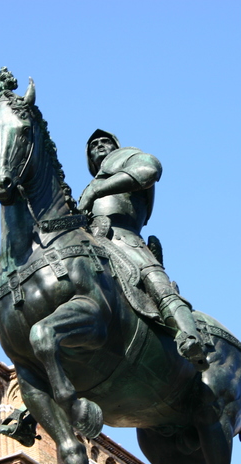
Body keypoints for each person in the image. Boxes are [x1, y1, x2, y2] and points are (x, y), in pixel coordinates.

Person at [78, 129, 206, 365]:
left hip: (125, 238)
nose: (98, 145)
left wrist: (96, 190)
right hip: (93, 240)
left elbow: (150, 170)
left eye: (105, 141)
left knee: (157, 285)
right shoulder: (87, 188)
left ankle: (190, 337)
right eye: (93, 145)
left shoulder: (130, 158)